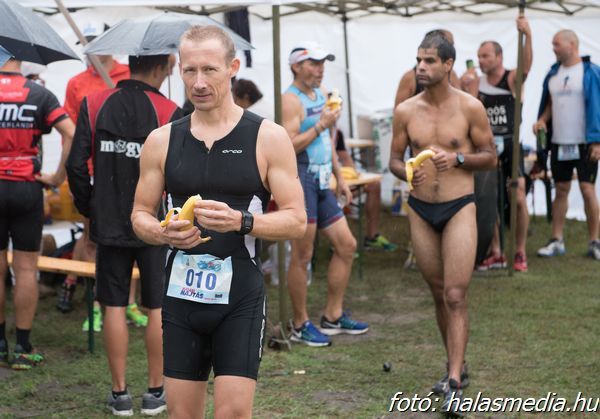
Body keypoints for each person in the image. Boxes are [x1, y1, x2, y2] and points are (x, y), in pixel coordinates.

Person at [130, 26, 306, 418]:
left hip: (240, 297)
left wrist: (243, 222)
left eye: (209, 70)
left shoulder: (267, 137)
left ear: (232, 68)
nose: (199, 82)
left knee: (233, 413)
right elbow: (139, 215)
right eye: (189, 70)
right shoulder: (161, 140)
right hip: (181, 298)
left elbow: (297, 220)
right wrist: (161, 231)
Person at [66, 54, 181, 416]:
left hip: (110, 221)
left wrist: (90, 208)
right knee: (157, 306)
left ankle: (120, 394)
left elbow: (75, 165)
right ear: (162, 67)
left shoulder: (94, 103)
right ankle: (155, 391)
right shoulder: (169, 110)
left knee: (113, 304)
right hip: (156, 224)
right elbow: (180, 173)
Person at [389, 33, 496, 415]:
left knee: (455, 295)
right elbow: (394, 160)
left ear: (448, 64)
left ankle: (453, 382)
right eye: (419, 59)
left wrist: (458, 159)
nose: (421, 67)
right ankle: (457, 364)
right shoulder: (406, 110)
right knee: (437, 292)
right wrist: (406, 172)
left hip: (459, 206)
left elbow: (490, 156)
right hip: (420, 209)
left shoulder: (470, 107)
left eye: (430, 61)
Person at [58, 22, 147, 332]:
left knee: (136, 237)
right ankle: (97, 304)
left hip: (132, 168)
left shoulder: (129, 74)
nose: (93, 47)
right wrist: (67, 176)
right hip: (94, 172)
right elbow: (70, 134)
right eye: (88, 41)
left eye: (98, 40)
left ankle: (130, 303)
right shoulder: (76, 83)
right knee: (93, 239)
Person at [282, 41, 369, 348]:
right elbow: (288, 144)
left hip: (322, 180)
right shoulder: (290, 100)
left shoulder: (321, 93)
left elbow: (328, 141)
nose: (320, 69)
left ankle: (333, 315)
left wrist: (339, 176)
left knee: (347, 245)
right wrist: (321, 125)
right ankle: (299, 323)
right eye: (314, 63)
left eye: (323, 63)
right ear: (296, 66)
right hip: (301, 178)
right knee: (303, 255)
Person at [0, 58, 75, 370]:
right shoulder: (38, 93)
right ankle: (22, 347)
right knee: (26, 269)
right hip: (26, 188)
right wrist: (57, 177)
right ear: (19, 57)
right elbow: (71, 132)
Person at [460, 16, 533, 272]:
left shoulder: (511, 78)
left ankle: (520, 251)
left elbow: (526, 65)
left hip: (511, 145)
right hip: (486, 147)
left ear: (499, 57)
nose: (481, 61)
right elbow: (467, 113)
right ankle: (496, 251)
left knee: (518, 196)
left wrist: (527, 36)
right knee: (488, 200)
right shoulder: (475, 83)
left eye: (486, 56)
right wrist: (466, 87)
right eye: (479, 56)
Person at [534, 29, 600, 260]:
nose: (553, 48)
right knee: (561, 189)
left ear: (572, 44)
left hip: (585, 143)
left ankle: (595, 241)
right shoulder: (553, 73)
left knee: (587, 190)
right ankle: (556, 239)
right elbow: (550, 105)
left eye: (557, 44)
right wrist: (542, 120)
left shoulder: (590, 72)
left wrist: (597, 141)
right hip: (559, 143)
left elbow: (597, 106)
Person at [335, 130, 397, 251]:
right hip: (323, 186)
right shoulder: (316, 130)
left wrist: (353, 174)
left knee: (374, 185)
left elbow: (345, 157)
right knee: (336, 197)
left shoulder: (337, 133)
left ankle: (371, 237)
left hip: (339, 184)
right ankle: (339, 244)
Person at [394, 29, 460, 107]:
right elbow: (399, 110)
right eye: (446, 43)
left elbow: (460, 105)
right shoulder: (410, 77)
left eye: (452, 44)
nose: (450, 48)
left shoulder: (452, 75)